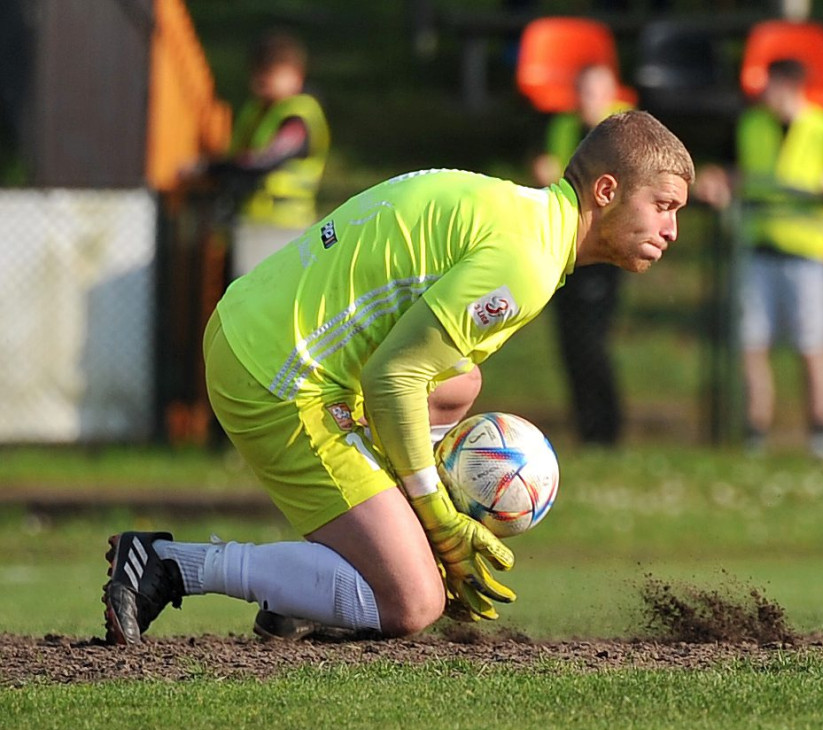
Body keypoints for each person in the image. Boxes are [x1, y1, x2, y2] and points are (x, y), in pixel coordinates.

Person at [102, 110, 695, 645]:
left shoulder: (521, 213)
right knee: (413, 601)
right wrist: (438, 521)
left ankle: (322, 584)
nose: (672, 230)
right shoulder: (528, 263)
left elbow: (418, 374)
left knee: (460, 384)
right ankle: (170, 563)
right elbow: (393, 380)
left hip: (253, 325)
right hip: (273, 374)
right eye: (663, 206)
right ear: (607, 190)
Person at [696, 59, 823, 460]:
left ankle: (821, 435)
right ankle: (756, 434)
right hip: (757, 250)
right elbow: (724, 174)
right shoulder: (749, 125)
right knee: (753, 345)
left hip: (806, 254)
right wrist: (714, 185)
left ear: (789, 85)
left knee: (813, 346)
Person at [532, 64, 633, 445]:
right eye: (583, 91)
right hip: (564, 245)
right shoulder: (562, 127)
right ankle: (585, 428)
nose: (587, 101)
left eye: (595, 92)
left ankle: (607, 429)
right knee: (570, 341)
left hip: (602, 246)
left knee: (593, 342)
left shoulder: (624, 132)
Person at [187, 31, 330, 278]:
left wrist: (210, 168)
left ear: (294, 74)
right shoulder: (259, 110)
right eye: (258, 73)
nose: (260, 82)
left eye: (269, 74)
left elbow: (264, 160)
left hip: (283, 227)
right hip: (253, 221)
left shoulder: (298, 116)